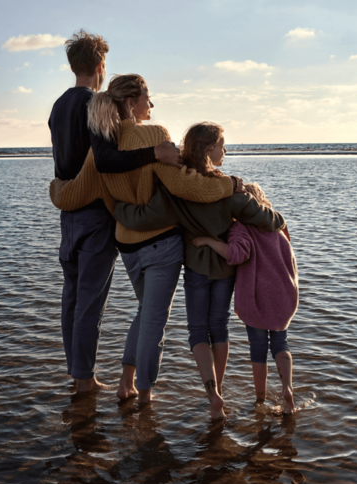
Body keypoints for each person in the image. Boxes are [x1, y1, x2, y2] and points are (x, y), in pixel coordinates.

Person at [50, 75, 244, 405]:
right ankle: (145, 396)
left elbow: (75, 194)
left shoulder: (102, 149)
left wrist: (55, 189)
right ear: (130, 103)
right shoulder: (153, 136)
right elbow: (189, 187)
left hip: (127, 247)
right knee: (154, 322)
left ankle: (126, 382)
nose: (150, 106)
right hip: (161, 245)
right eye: (147, 99)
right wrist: (232, 185)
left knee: (145, 312)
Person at [114, 123, 286, 419]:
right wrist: (280, 220)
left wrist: (118, 208)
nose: (225, 150)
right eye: (222, 145)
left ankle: (212, 393)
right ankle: (218, 390)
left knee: (197, 332)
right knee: (219, 327)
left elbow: (147, 217)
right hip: (225, 269)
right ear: (209, 149)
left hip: (195, 267)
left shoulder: (177, 188)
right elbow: (265, 218)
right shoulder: (229, 189)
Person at [48, 31, 182, 394]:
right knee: (89, 301)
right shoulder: (95, 103)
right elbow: (106, 160)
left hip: (69, 215)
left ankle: (78, 374)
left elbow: (66, 163)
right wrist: (154, 154)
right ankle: (84, 380)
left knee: (72, 298)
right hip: (94, 215)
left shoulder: (58, 106)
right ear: (100, 65)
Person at [193, 182, 299, 414]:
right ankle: (287, 389)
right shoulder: (277, 227)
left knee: (258, 349)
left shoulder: (242, 227)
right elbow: (291, 260)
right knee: (281, 344)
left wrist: (209, 241)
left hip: (257, 299)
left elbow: (236, 254)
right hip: (281, 296)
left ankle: (260, 400)